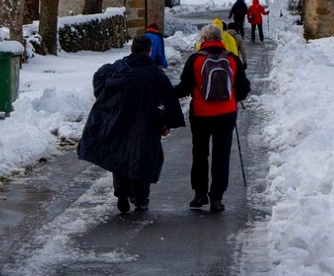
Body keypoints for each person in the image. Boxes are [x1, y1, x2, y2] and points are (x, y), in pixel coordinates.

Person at [78, 34, 186, 214]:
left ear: (132, 48)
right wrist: (168, 121)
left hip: (119, 118)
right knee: (144, 157)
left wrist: (105, 99)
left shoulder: (118, 67)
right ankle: (140, 198)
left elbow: (100, 78)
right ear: (149, 51)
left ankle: (122, 191)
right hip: (147, 121)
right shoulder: (154, 73)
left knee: (120, 153)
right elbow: (169, 96)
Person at [176, 23, 252, 212]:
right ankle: (217, 198)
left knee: (200, 153)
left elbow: (184, 88)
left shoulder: (195, 59)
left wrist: (166, 93)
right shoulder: (232, 59)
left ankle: (200, 194)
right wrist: (232, 97)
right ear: (220, 39)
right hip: (226, 114)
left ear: (203, 39)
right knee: (221, 154)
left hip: (200, 113)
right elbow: (244, 89)